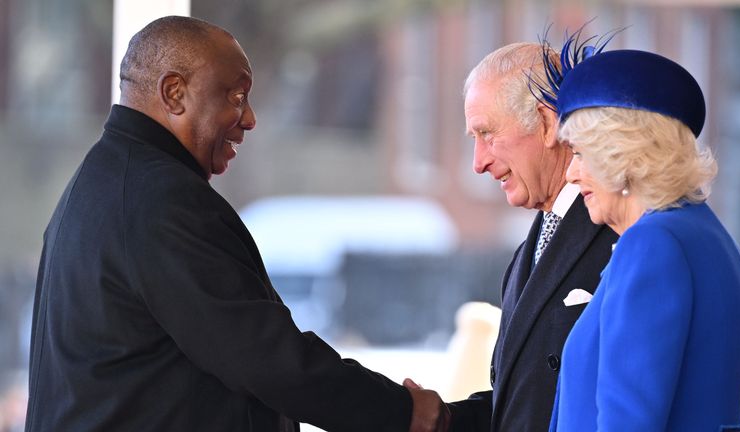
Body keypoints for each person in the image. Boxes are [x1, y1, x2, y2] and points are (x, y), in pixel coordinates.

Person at [24, 16, 449, 432]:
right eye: (235, 95)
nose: (249, 118)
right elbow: (268, 359)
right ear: (174, 93)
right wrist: (404, 412)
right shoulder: (160, 200)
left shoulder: (105, 182)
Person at [536, 36, 740, 431]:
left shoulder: (653, 244)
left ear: (622, 155)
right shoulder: (708, 237)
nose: (571, 173)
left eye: (579, 154)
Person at [437, 43, 618, 431]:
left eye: (487, 133)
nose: (478, 162)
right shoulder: (528, 250)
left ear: (547, 123)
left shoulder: (627, 233)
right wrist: (437, 418)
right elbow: (520, 404)